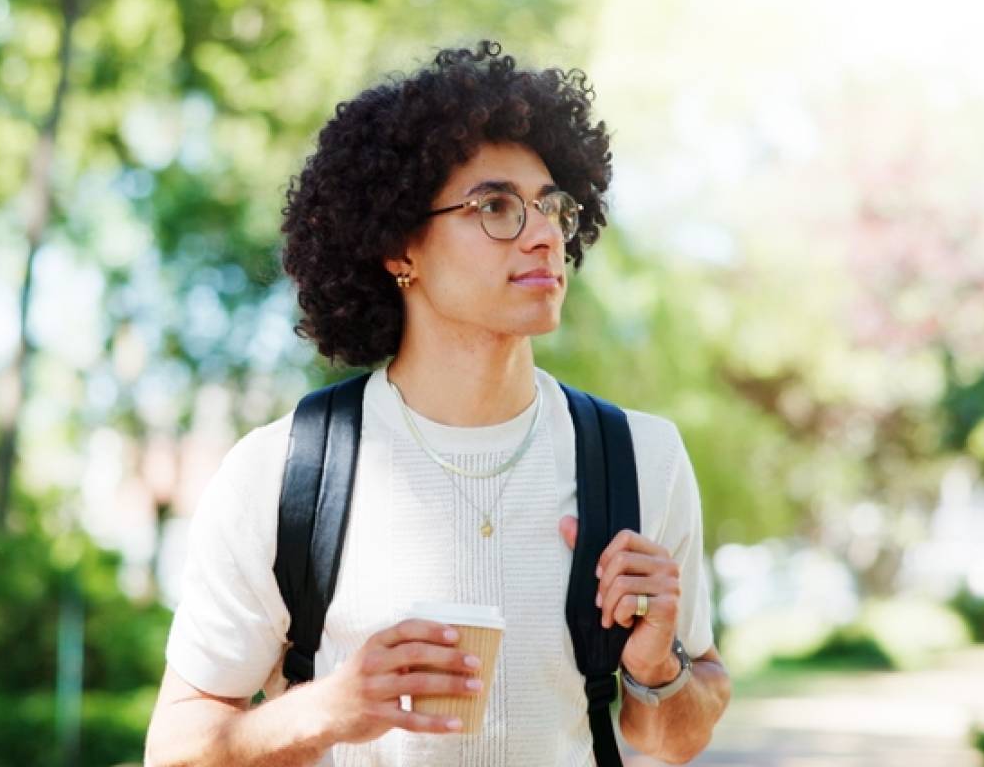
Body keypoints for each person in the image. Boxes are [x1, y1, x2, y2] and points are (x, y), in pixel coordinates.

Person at [144, 41, 730, 766]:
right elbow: (174, 751)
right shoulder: (281, 475)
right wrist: (330, 709)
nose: (544, 233)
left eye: (553, 207)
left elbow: (681, 735)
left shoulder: (641, 460)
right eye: (495, 206)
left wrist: (656, 670)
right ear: (399, 249)